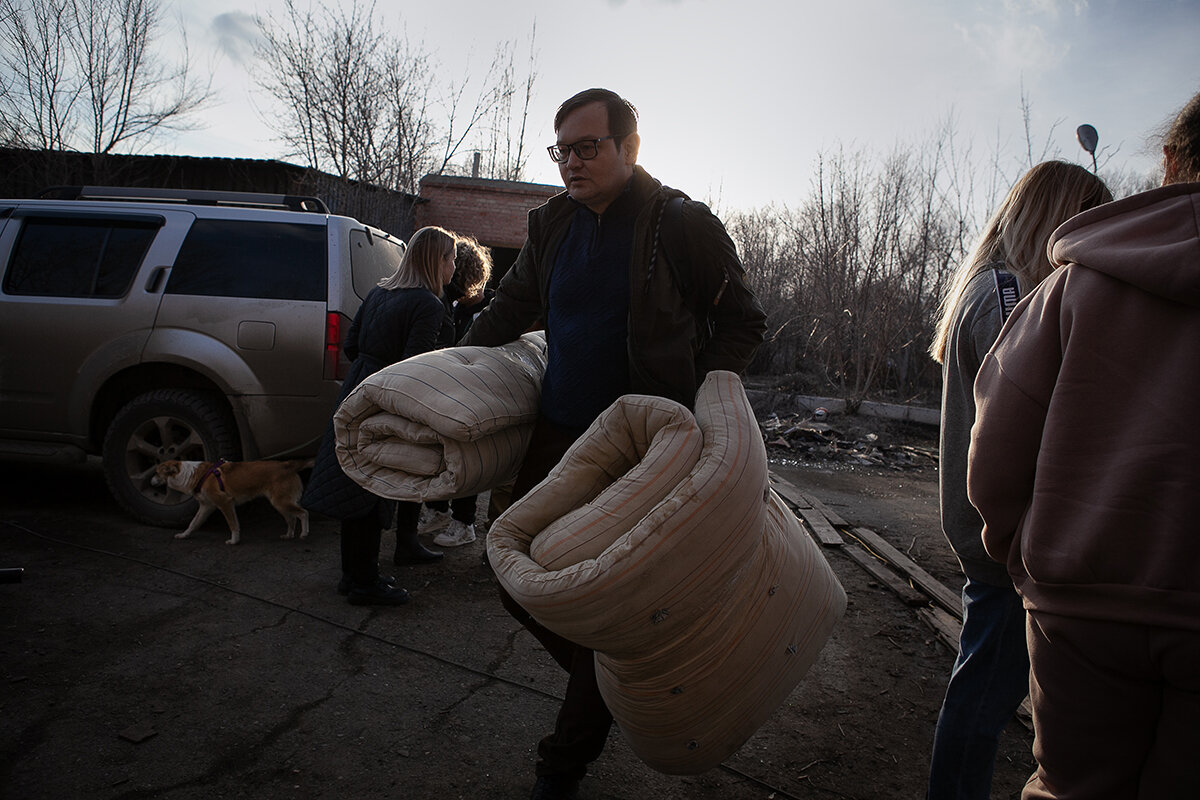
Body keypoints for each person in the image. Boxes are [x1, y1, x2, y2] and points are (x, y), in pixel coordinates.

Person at [459, 88, 767, 800]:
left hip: (641, 448)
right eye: (561, 149)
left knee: (604, 596)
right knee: (518, 579)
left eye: (586, 146)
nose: (571, 161)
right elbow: (512, 305)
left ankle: (559, 766)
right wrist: (449, 366)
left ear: (630, 147)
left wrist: (707, 399)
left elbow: (743, 320)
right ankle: (627, 683)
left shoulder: (680, 224)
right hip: (559, 435)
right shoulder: (552, 226)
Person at [969, 90, 1200, 799]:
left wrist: (1032, 560)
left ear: (1169, 160)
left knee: (1070, 788)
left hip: (1080, 604)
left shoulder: (1075, 285)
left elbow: (997, 443)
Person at [925, 162, 1111, 799]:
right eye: (1081, 218)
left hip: (984, 530)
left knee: (981, 687)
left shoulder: (982, 285)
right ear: (1054, 216)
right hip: (1007, 537)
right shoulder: (1008, 296)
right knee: (983, 701)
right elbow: (1033, 417)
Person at [302, 225, 456, 605]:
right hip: (387, 401)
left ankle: (351, 576)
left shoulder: (378, 292)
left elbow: (352, 346)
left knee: (351, 484)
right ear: (436, 260)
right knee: (373, 490)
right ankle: (365, 583)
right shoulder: (427, 304)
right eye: (450, 258)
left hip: (357, 391)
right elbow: (414, 366)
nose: (453, 266)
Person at [416, 235, 494, 549]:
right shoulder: (450, 305)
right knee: (441, 456)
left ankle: (465, 522)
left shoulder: (490, 310)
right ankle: (438, 510)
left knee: (467, 459)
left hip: (475, 394)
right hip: (448, 391)